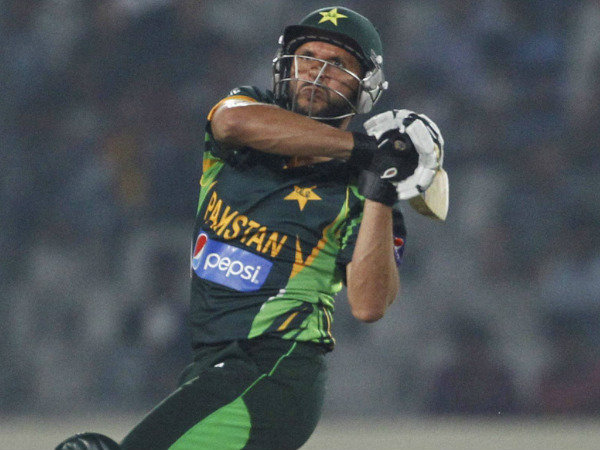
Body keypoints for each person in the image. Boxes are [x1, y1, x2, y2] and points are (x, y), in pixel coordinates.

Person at [56, 6, 444, 450]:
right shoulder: (246, 115)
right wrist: (363, 149)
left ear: (366, 85)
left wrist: (380, 190)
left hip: (276, 372)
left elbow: (370, 305)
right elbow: (231, 121)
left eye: (337, 64)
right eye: (308, 56)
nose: (317, 72)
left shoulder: (362, 192)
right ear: (286, 64)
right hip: (212, 365)